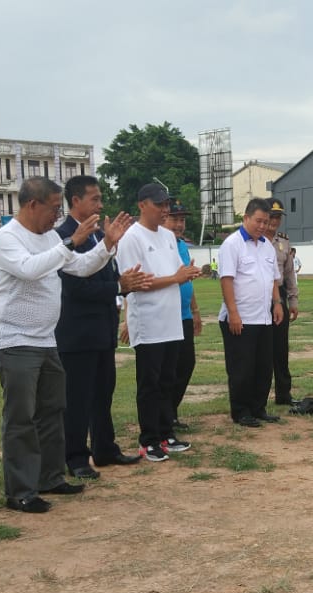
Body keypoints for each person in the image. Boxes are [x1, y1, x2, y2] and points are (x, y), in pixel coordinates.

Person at [0, 178, 132, 512]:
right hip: (15, 340)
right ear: (32, 205)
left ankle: (50, 477)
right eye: (53, 207)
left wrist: (106, 244)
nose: (57, 214)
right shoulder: (7, 238)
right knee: (21, 417)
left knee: (53, 411)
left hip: (45, 338)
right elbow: (29, 270)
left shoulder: (51, 237)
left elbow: (79, 268)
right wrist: (70, 242)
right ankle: (20, 490)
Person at [54, 176, 149, 481]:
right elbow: (75, 289)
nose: (100, 204)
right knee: (78, 398)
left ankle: (105, 448)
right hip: (78, 331)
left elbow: (108, 275)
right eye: (94, 199)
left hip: (102, 328)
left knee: (102, 392)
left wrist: (123, 285)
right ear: (76, 201)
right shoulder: (63, 237)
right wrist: (117, 286)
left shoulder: (97, 234)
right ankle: (76, 456)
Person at [116, 183, 202, 461]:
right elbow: (136, 282)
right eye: (159, 205)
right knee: (150, 383)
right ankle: (148, 439)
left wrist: (187, 274)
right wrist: (175, 279)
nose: (165, 210)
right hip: (149, 321)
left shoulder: (167, 236)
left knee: (168, 380)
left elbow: (177, 271)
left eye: (166, 205)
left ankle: (166, 434)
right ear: (142, 205)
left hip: (171, 320)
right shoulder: (132, 238)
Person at [218, 197, 283, 427]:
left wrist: (277, 303)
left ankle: (258, 407)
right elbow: (226, 280)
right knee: (241, 368)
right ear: (246, 218)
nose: (263, 226)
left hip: (264, 318)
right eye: (259, 221)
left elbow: (274, 278)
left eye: (266, 222)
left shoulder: (266, 245)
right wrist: (233, 313)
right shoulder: (232, 244)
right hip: (240, 319)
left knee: (263, 368)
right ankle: (241, 411)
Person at [164, 199, 201, 429]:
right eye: (175, 219)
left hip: (184, 314)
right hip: (167, 316)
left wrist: (195, 311)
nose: (179, 224)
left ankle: (171, 411)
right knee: (168, 369)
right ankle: (165, 415)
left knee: (186, 364)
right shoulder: (161, 244)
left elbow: (188, 280)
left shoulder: (182, 245)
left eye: (182, 220)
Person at [267, 198, 300, 406]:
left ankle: (283, 393)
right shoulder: (255, 240)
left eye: (278, 217)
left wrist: (293, 300)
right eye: (272, 216)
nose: (274, 221)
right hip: (259, 295)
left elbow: (289, 274)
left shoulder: (284, 241)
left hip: (278, 292)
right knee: (261, 347)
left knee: (280, 347)